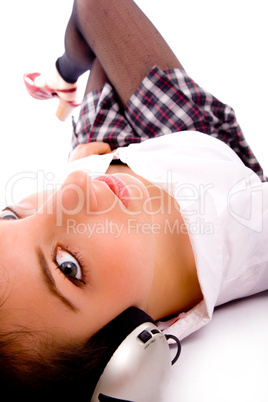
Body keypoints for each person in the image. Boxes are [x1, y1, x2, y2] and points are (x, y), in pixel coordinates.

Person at [1, 0, 267, 399]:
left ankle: (63, 73)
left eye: (12, 217)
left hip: (120, 148)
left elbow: (75, 182)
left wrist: (85, 161)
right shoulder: (254, 237)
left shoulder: (85, 181)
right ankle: (66, 74)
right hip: (196, 138)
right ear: (128, 353)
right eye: (68, 266)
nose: (73, 187)